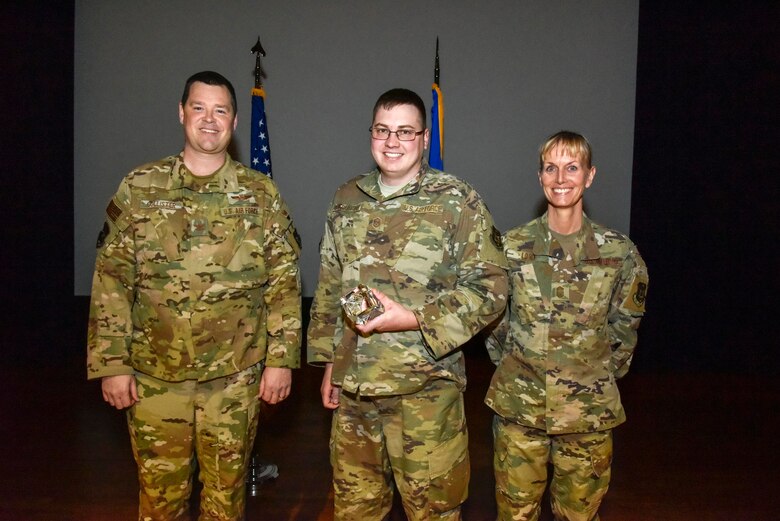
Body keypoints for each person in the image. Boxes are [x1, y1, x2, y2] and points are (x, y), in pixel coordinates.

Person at [87, 70, 302, 521]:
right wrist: (111, 365)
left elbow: (284, 282)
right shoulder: (141, 187)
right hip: (153, 380)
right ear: (181, 112)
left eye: (220, 110)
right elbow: (112, 279)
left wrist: (281, 360)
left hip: (235, 379)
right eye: (199, 107)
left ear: (235, 121)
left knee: (226, 501)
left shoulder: (260, 195)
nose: (209, 119)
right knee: (159, 499)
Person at [307, 88, 508, 520]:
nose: (392, 141)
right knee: (355, 511)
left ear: (423, 137)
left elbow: (492, 288)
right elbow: (329, 283)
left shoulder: (456, 200)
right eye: (382, 130)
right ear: (371, 134)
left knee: (433, 512)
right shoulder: (346, 198)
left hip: (425, 394)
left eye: (404, 131)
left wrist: (414, 318)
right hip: (355, 396)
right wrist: (330, 364)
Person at [485, 131, 649, 521]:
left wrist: (596, 374)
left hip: (587, 415)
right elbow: (493, 321)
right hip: (519, 412)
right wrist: (517, 367)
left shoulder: (618, 252)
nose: (561, 178)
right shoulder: (510, 247)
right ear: (540, 176)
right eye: (551, 168)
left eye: (572, 167)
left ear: (590, 175)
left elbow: (626, 325)